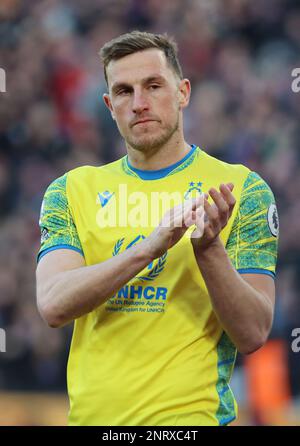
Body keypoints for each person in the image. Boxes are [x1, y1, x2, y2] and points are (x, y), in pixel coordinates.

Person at [36, 31, 279, 426]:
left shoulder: (242, 190)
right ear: (108, 105)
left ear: (182, 92)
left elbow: (253, 333)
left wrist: (208, 250)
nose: (140, 104)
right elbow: (52, 304)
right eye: (124, 91)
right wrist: (146, 249)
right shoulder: (71, 190)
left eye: (153, 86)